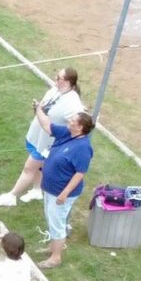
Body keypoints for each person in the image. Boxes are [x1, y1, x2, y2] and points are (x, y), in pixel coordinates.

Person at [0, 67, 84, 207]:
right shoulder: (55, 90)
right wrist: (37, 107)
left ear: (67, 82)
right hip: (38, 135)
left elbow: (78, 124)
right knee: (39, 167)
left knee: (29, 168)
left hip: (48, 143)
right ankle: (37, 190)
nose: (55, 79)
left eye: (58, 78)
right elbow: (45, 107)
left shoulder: (72, 103)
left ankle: (12, 196)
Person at [36, 110, 96, 269]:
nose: (69, 120)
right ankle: (52, 248)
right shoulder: (67, 133)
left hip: (60, 192)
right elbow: (47, 125)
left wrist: (65, 193)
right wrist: (38, 109)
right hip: (50, 188)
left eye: (73, 120)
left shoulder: (83, 148)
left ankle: (56, 258)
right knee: (51, 219)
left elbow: (80, 173)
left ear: (80, 127)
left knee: (57, 224)